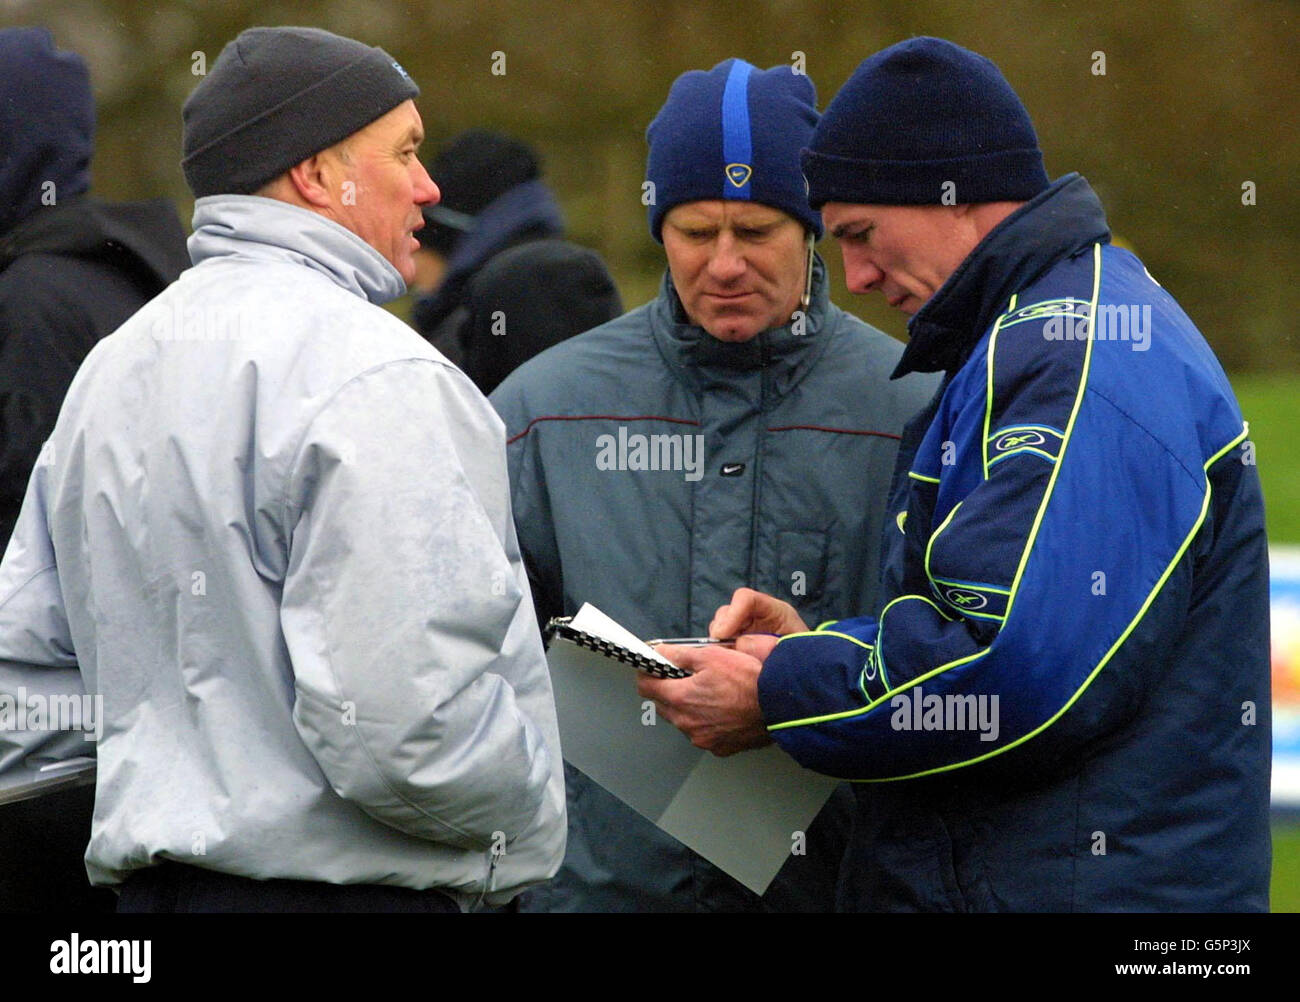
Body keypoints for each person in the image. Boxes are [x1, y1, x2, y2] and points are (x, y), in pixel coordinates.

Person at [641, 37, 1271, 911]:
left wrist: (782, 689)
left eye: (861, 234)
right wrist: (818, 651)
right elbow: (993, 620)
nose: (855, 275)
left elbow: (1011, 673)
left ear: (955, 193)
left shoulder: (1074, 354)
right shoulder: (1045, 332)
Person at [0, 26, 565, 912]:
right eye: (406, 152)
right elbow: (407, 729)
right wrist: (535, 804)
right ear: (315, 174)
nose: (430, 186)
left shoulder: (113, 366)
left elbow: (25, 693)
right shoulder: (383, 373)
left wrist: (165, 800)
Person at [491, 58, 938, 911]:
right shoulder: (540, 415)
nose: (725, 264)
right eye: (697, 232)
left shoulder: (919, 408)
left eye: (757, 229)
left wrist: (801, 683)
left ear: (812, 228)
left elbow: (961, 662)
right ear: (659, 230)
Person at [0, 26, 189, 913]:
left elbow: (22, 538)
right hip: (145, 742)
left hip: (42, 763)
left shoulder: (30, 303)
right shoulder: (136, 283)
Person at [410, 130, 622, 393]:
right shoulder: (560, 276)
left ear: (446, 241)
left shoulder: (516, 296)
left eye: (418, 245)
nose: (410, 270)